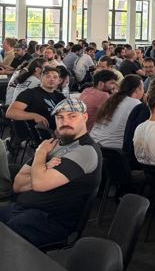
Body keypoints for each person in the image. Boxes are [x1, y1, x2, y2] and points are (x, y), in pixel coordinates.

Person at [0, 97, 102, 247]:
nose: (65, 121)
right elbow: (18, 184)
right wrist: (44, 168)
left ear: (85, 117)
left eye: (72, 116)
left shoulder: (85, 151)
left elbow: (39, 184)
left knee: (4, 240)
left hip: (49, 221)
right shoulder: (53, 144)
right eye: (60, 117)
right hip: (22, 210)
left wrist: (41, 155)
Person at [90, 75, 145, 149]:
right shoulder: (136, 104)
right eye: (143, 88)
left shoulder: (112, 99)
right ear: (137, 90)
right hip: (113, 149)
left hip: (94, 144)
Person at [7, 65, 66, 132]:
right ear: (41, 78)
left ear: (59, 81)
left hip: (59, 130)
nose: (51, 79)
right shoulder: (30, 93)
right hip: (40, 133)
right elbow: (10, 112)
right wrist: (34, 116)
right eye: (48, 76)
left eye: (55, 77)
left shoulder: (59, 96)